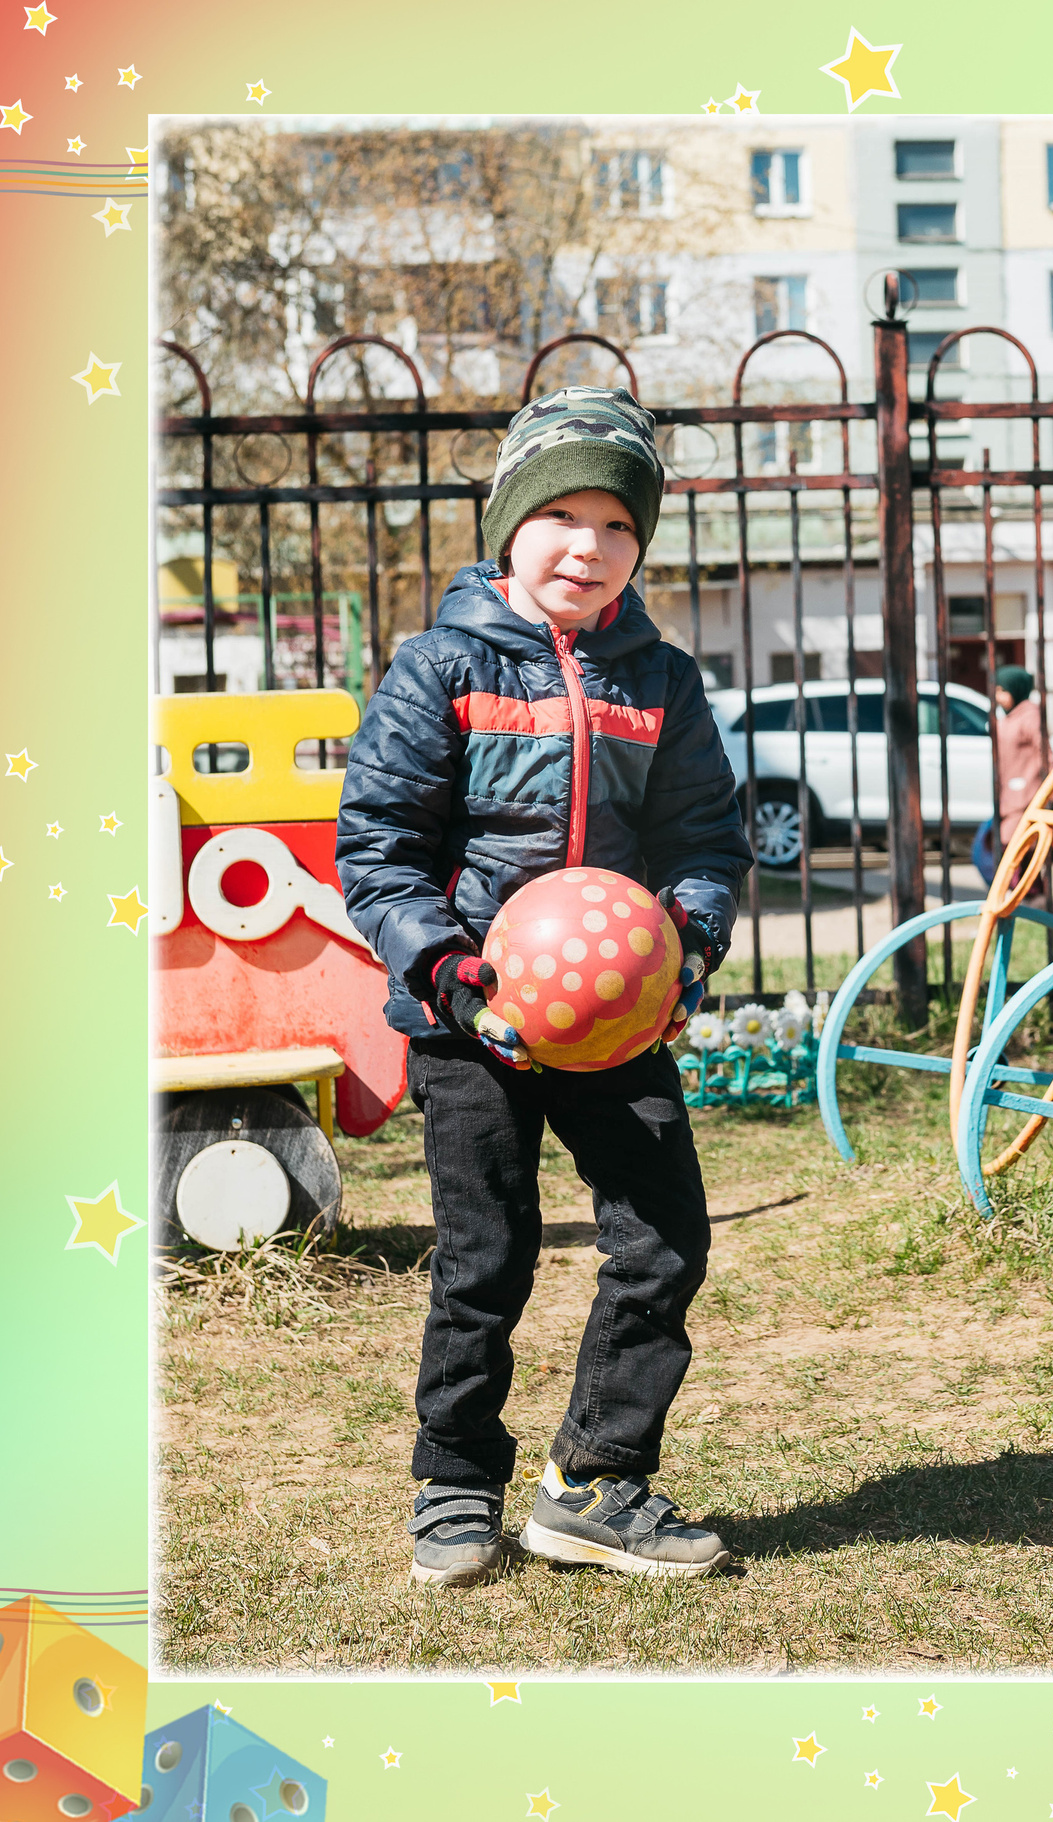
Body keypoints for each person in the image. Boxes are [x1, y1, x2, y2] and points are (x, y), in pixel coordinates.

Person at [337, 385, 749, 1587]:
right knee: (487, 1255)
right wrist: (446, 970)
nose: (590, 545)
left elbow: (704, 840)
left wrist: (688, 939)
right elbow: (378, 849)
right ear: (508, 522)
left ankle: (595, 1483)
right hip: (476, 1020)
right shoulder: (441, 666)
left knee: (663, 1238)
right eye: (562, 514)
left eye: (618, 524)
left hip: (619, 1020)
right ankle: (455, 1481)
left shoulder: (660, 680)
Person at [972, 665, 1052, 891]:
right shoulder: (1009, 717)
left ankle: (1021, 896)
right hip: (1007, 797)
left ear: (1016, 689)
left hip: (1026, 796)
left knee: (1014, 847)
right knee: (995, 848)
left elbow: (1046, 754)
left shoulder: (1030, 717)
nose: (997, 697)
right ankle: (1025, 895)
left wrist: (1047, 791)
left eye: (1002, 690)